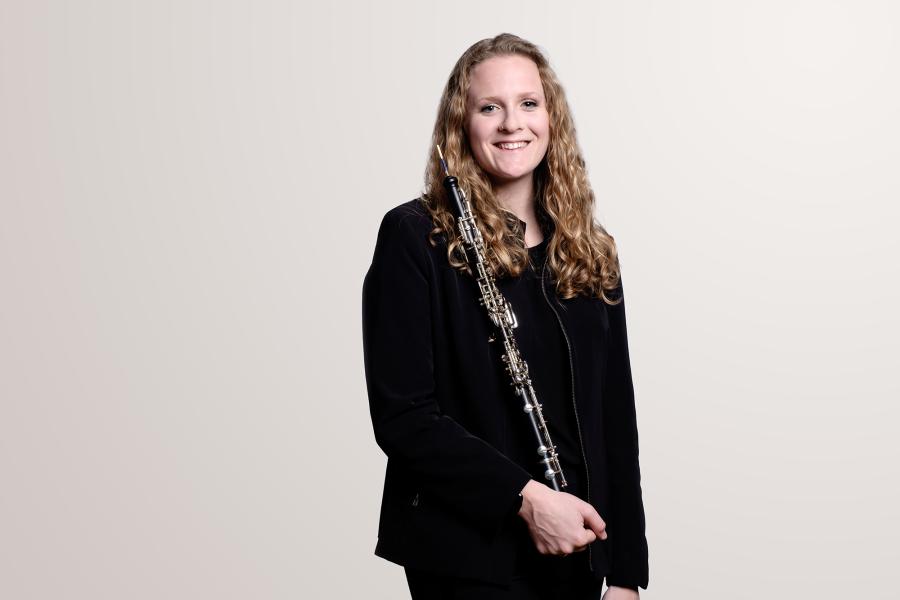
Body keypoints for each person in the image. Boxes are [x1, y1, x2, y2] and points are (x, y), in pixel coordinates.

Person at [362, 33, 649, 600]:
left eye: (528, 104)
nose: (510, 123)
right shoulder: (417, 237)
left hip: (579, 551)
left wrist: (624, 573)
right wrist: (528, 499)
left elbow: (616, 419)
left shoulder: (591, 249)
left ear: (551, 119)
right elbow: (404, 417)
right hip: (468, 560)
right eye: (489, 107)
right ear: (461, 125)